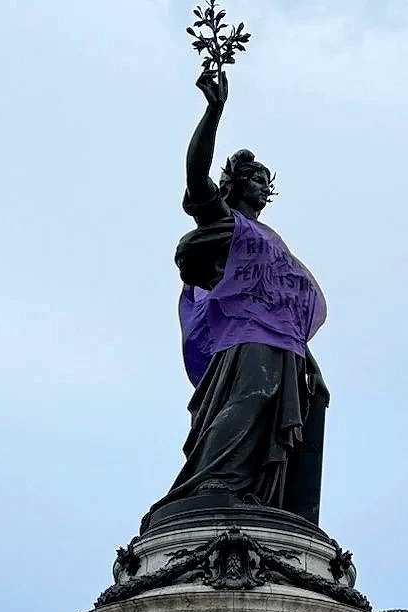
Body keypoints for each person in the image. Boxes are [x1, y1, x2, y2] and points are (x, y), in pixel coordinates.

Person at [143, 66, 329, 532]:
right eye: (257, 179)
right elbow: (195, 172)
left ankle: (253, 494)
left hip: (285, 344)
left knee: (273, 416)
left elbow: (283, 300)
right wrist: (214, 110)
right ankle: (213, 484)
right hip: (244, 337)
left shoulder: (270, 237)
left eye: (269, 181)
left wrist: (310, 358)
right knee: (249, 399)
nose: (266, 187)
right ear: (237, 183)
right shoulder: (223, 221)